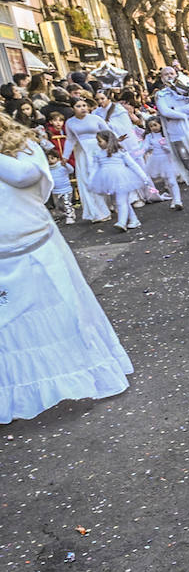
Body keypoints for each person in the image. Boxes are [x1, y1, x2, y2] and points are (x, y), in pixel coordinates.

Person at [0, 113, 131, 423]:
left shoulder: (24, 147)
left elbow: (25, 177)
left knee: (60, 316)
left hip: (35, 248)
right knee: (11, 327)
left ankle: (75, 378)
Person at [154, 67, 189, 211]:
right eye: (166, 74)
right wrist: (183, 113)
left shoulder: (187, 88)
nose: (169, 76)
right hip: (176, 134)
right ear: (161, 78)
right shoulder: (161, 94)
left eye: (171, 73)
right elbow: (164, 111)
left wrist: (176, 111)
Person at [88, 130, 150, 232]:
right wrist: (91, 180)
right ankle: (134, 220)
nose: (98, 143)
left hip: (122, 178)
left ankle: (122, 222)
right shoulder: (98, 154)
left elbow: (132, 165)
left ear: (108, 141)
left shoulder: (120, 152)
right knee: (122, 201)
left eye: (100, 141)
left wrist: (144, 177)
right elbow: (94, 168)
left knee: (121, 201)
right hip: (109, 180)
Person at [63, 96, 112, 223]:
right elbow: (70, 139)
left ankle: (112, 205)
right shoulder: (70, 123)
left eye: (84, 105)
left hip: (99, 149)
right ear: (73, 108)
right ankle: (98, 212)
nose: (82, 108)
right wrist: (65, 156)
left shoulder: (96, 118)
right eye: (78, 106)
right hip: (82, 152)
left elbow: (108, 132)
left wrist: (114, 144)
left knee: (104, 178)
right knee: (87, 180)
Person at [45, 146, 76, 224]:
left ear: (57, 158)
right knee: (59, 206)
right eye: (48, 159)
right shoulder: (47, 169)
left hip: (66, 189)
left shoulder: (61, 166)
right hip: (55, 191)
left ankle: (70, 217)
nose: (50, 161)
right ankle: (69, 212)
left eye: (52, 158)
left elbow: (71, 170)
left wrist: (66, 165)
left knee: (66, 203)